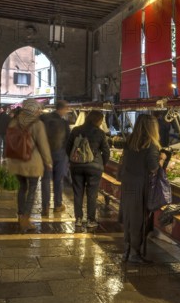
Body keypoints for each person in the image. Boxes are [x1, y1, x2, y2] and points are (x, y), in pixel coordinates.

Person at [118, 114, 164, 265]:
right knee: (138, 220)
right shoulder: (150, 144)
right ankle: (134, 254)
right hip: (140, 186)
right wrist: (162, 158)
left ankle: (127, 250)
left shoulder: (131, 140)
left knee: (130, 219)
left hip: (127, 183)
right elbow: (153, 168)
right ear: (152, 127)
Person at [6, 99, 53, 232]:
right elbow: (43, 145)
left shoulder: (13, 122)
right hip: (32, 163)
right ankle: (26, 220)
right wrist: (48, 161)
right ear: (34, 110)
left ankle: (20, 216)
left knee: (21, 189)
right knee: (32, 190)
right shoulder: (37, 124)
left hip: (16, 162)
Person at [66, 110, 110, 229]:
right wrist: (101, 163)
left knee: (78, 193)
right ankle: (91, 220)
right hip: (94, 167)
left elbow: (68, 147)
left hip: (76, 167)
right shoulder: (100, 133)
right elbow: (106, 152)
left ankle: (78, 219)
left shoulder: (76, 130)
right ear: (98, 120)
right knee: (92, 194)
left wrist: (73, 161)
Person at [40, 101, 71, 216]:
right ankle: (57, 205)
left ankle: (45, 207)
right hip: (60, 154)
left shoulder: (43, 118)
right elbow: (68, 140)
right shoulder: (63, 122)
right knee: (58, 180)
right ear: (62, 109)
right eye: (66, 109)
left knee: (45, 180)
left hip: (45, 153)